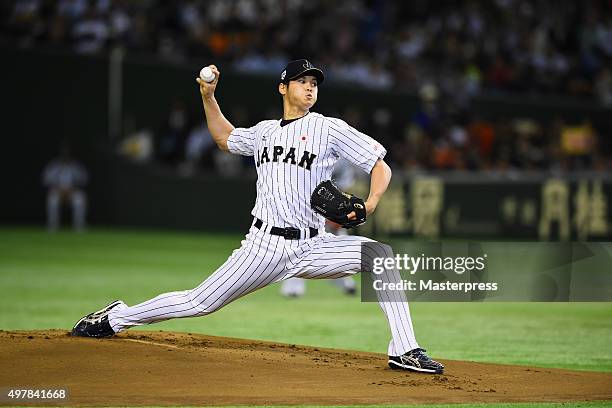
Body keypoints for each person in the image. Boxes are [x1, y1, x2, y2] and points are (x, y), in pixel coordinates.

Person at [71, 59, 444, 374]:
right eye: (302, 81)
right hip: (263, 247)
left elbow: (379, 164)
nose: (310, 87)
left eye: (314, 83)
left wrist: (373, 200)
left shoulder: (328, 127)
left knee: (379, 256)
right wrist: (208, 96)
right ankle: (117, 317)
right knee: (198, 303)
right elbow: (224, 137)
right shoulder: (264, 133)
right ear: (283, 88)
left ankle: (404, 349)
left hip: (314, 244)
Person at [42, 145, 89, 231]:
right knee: (52, 200)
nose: (65, 156)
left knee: (79, 199)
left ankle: (79, 226)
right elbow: (46, 180)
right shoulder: (54, 165)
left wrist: (72, 189)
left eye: (67, 153)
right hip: (58, 191)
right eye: (63, 153)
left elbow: (84, 179)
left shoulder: (76, 166)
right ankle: (53, 226)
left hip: (72, 192)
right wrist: (57, 189)